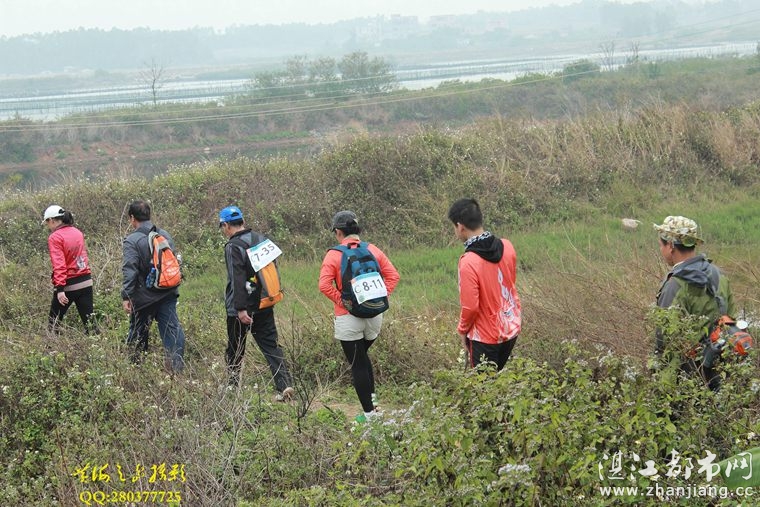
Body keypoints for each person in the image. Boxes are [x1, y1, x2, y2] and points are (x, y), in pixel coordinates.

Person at [318, 210, 400, 422]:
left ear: (338, 232)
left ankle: (369, 416)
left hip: (348, 319)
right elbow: (393, 276)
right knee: (363, 360)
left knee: (358, 365)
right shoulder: (373, 249)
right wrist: (379, 296)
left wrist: (344, 302)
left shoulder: (334, 255)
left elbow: (324, 285)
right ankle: (374, 409)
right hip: (375, 316)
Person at [219, 205, 294, 399]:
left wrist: (240, 309)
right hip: (264, 302)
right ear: (243, 221)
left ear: (226, 225)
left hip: (241, 308)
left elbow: (237, 278)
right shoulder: (262, 239)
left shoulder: (233, 246)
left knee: (235, 348)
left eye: (222, 227)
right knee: (271, 345)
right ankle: (285, 385)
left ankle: (232, 388)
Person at [654, 215, 734, 391]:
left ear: (671, 246)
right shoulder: (719, 275)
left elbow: (664, 340)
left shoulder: (675, 285)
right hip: (722, 373)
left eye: (661, 245)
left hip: (686, 379)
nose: (661, 250)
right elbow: (731, 319)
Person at [448, 198, 522, 370]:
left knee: (483, 385)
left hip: (484, 337)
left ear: (460, 226)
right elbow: (510, 284)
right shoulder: (507, 246)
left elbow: (470, 307)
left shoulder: (468, 262)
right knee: (498, 378)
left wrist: (462, 330)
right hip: (510, 328)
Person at [121, 200, 185, 373]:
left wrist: (126, 295)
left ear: (132, 218)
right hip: (168, 292)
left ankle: (136, 371)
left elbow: (130, 270)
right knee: (172, 332)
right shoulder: (164, 235)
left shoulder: (132, 240)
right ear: (149, 215)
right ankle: (176, 370)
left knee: (138, 334)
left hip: (144, 298)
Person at [43, 205, 96, 334]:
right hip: (86, 282)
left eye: (47, 222)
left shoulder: (55, 237)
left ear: (52, 220)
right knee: (90, 325)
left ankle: (53, 346)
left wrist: (60, 289)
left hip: (68, 285)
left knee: (53, 324)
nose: (47, 226)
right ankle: (98, 344)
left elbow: (59, 265)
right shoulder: (77, 232)